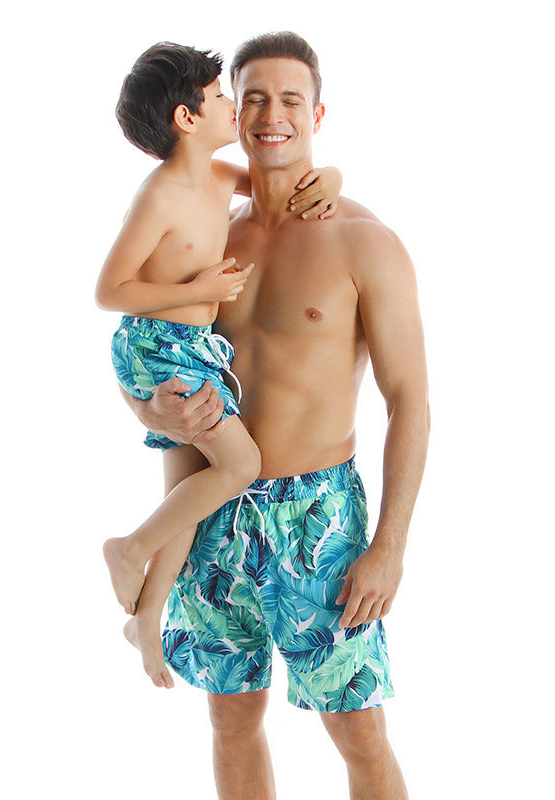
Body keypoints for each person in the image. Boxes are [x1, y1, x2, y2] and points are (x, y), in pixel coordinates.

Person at [123, 32, 429, 799]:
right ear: (230, 111)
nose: (271, 115)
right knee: (231, 717)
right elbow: (147, 351)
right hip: (213, 508)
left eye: (291, 99)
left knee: (358, 728)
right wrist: (145, 404)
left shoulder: (364, 242)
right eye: (253, 97)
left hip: (318, 517)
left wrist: (390, 545)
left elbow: (410, 401)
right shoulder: (203, 237)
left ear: (317, 114)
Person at [95, 41, 343, 682]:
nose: (235, 106)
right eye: (222, 96)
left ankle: (146, 618)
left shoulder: (218, 176)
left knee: (189, 496)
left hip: (194, 348)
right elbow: (109, 292)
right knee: (240, 465)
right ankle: (131, 547)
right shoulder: (160, 196)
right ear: (187, 118)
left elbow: (276, 182)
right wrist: (198, 290)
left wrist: (335, 178)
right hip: (161, 345)